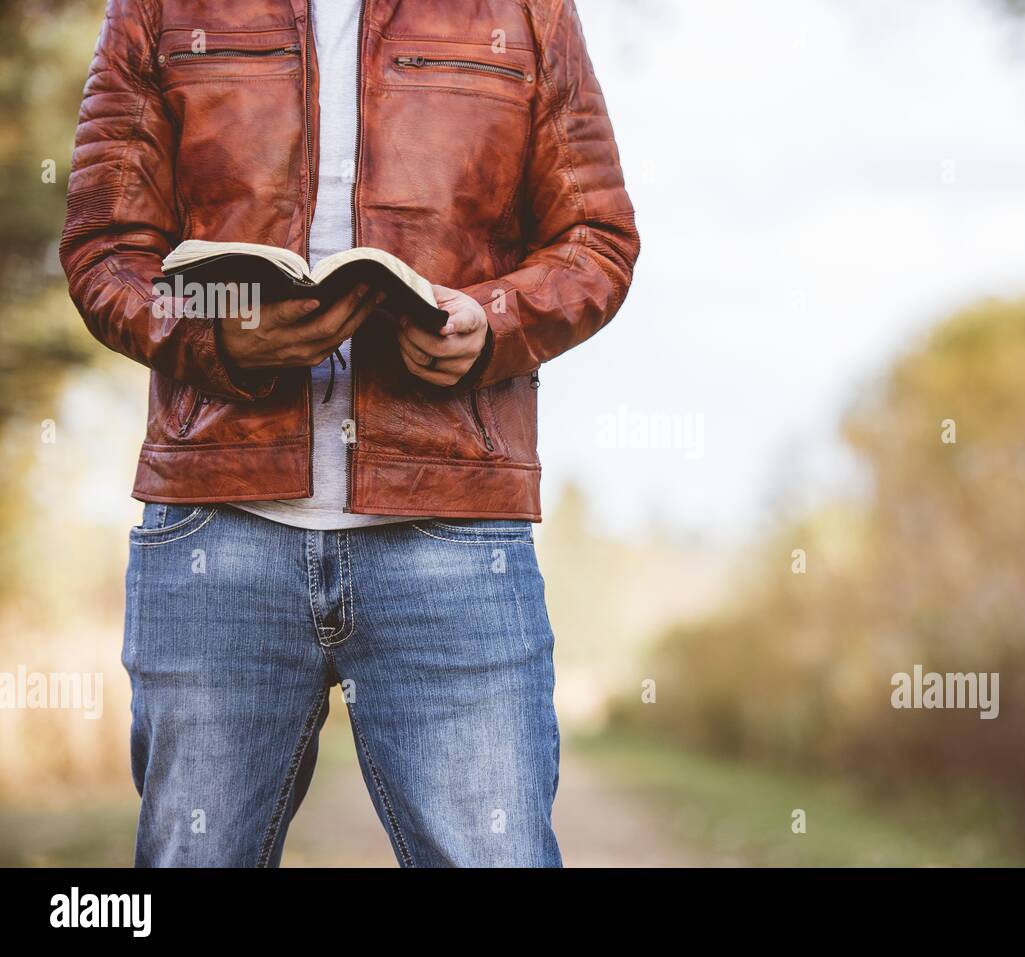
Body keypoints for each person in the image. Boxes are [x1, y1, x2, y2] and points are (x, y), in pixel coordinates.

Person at [59, 0, 638, 867]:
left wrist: (492, 319)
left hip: (454, 524)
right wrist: (219, 329)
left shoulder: (527, 11)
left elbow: (597, 237)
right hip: (216, 524)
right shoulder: (158, 8)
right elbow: (106, 250)